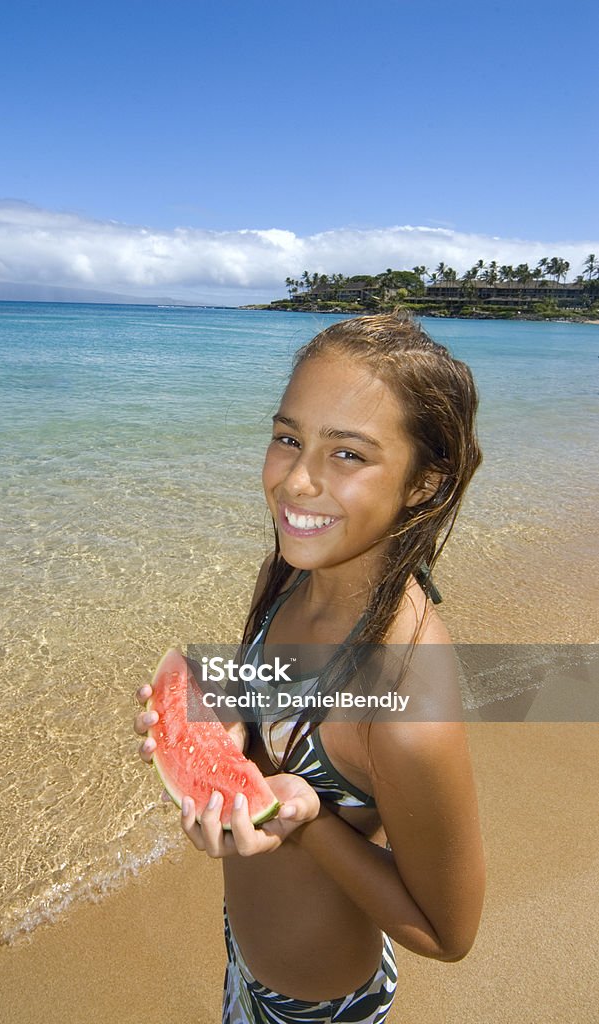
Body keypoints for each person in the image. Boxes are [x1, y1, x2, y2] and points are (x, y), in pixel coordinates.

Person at [135, 311, 485, 1023]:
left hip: (315, 1006)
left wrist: (304, 817)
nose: (295, 481)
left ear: (424, 482)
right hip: (245, 948)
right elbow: (263, 695)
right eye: (288, 437)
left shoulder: (403, 702)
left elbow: (447, 935)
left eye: (347, 454)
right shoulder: (290, 572)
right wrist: (225, 712)